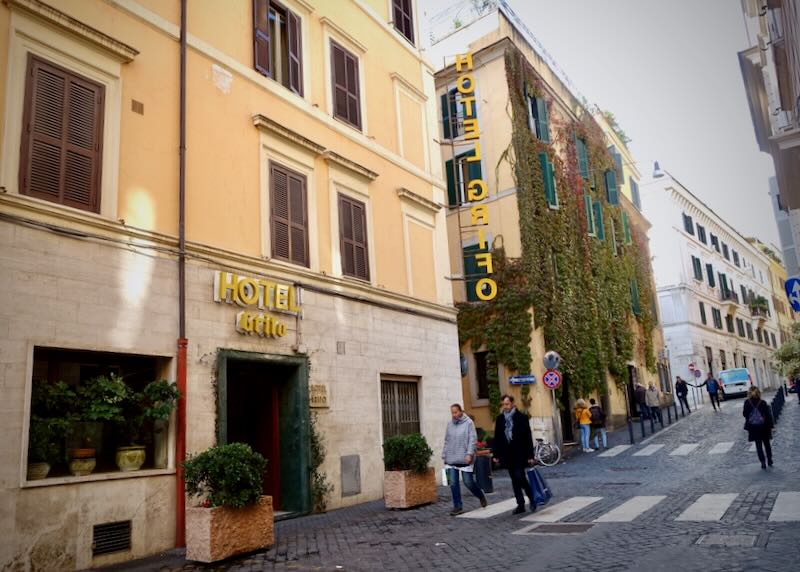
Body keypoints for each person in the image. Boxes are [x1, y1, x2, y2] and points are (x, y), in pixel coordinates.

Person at [492, 394, 536, 514]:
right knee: (514, 479)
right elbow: (497, 437)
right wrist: (495, 454)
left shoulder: (521, 418)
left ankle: (531, 496)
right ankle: (520, 504)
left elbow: (528, 437)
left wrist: (530, 455)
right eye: (503, 404)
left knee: (519, 476)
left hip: (520, 453)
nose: (505, 407)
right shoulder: (500, 419)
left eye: (507, 404)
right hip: (507, 454)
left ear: (512, 404)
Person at [442, 404, 487, 515]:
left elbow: (473, 439)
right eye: (452, 412)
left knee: (468, 482)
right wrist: (444, 454)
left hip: (465, 457)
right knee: (453, 483)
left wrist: (469, 454)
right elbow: (447, 440)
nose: (454, 415)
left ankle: (480, 495)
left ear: (461, 411)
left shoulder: (468, 423)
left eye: (456, 412)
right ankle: (458, 506)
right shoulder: (449, 424)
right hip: (452, 457)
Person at [742, 386, 774, 469]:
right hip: (764, 427)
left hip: (753, 427)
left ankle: (762, 462)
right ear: (759, 393)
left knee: (758, 445)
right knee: (767, 444)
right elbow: (768, 416)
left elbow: (745, 414)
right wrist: (771, 426)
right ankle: (769, 459)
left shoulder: (747, 402)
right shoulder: (763, 402)